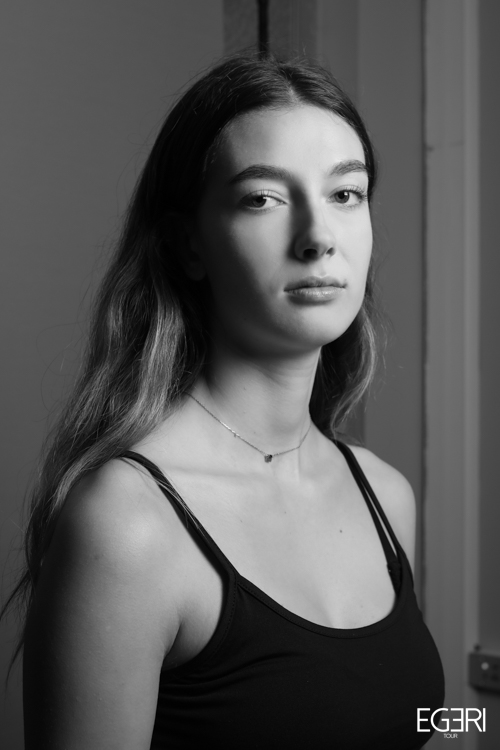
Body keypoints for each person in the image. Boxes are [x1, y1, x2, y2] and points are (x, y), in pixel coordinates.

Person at [4, 52, 444, 748]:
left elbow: (413, 721)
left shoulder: (385, 497)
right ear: (189, 245)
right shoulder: (128, 524)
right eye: (262, 198)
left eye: (345, 194)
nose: (319, 238)